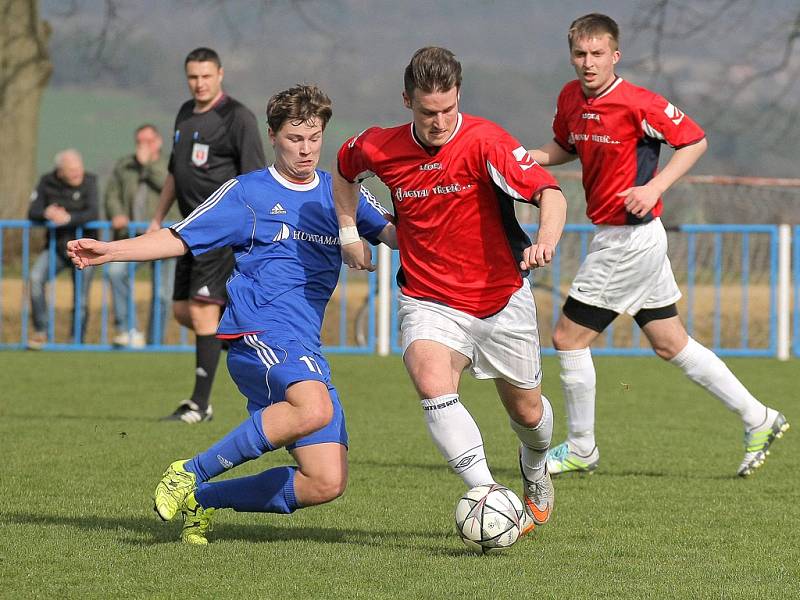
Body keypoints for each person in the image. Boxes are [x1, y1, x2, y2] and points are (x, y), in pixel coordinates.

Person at [68, 84, 397, 545]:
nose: (305, 149)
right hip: (258, 331)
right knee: (314, 406)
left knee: (325, 482)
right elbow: (179, 236)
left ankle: (200, 500)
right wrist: (111, 252)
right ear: (272, 136)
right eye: (294, 138)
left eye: (314, 138)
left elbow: (395, 234)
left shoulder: (337, 191)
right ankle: (187, 471)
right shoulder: (248, 194)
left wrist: (428, 203)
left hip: (304, 344)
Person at [528, 13, 789, 478]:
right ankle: (759, 417)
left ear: (615, 55)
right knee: (670, 342)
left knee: (568, 338)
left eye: (597, 54)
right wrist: (524, 157)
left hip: (630, 239)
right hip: (619, 238)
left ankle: (583, 446)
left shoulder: (638, 102)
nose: (588, 63)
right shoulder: (570, 97)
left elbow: (694, 141)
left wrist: (655, 187)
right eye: (580, 54)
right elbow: (565, 145)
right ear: (572, 55)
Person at [333, 47, 568, 533]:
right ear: (407, 101)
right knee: (429, 376)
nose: (439, 122)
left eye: (448, 109)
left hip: (500, 298)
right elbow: (343, 171)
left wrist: (545, 240)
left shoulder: (487, 141)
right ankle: (488, 493)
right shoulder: (378, 146)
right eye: (427, 112)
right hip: (428, 297)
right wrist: (349, 233)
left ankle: (535, 464)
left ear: (459, 96)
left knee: (528, 413)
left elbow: (550, 193)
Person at [148, 47, 266, 423]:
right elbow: (174, 171)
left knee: (201, 312)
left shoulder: (237, 117)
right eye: (193, 77)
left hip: (220, 231)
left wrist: (252, 229)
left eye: (205, 76)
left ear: (220, 74)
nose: (199, 83)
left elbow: (254, 178)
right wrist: (157, 218)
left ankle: (199, 405)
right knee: (183, 311)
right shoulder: (185, 112)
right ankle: (246, 340)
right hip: (187, 230)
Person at [105, 124, 179, 348]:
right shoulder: (125, 165)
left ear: (158, 142)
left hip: (164, 235)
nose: (143, 147)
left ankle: (155, 341)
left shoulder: (169, 164)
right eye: (139, 142)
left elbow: (168, 186)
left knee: (163, 293)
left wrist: (146, 165)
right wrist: (117, 213)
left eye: (148, 141)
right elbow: (112, 194)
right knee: (116, 272)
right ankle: (129, 330)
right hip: (131, 236)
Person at [27, 149, 98, 349]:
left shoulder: (90, 181)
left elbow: (93, 212)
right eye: (71, 170)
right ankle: (41, 332)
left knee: (81, 298)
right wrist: (46, 212)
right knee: (34, 279)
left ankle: (76, 340)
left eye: (79, 169)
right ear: (60, 172)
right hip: (56, 248)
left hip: (85, 249)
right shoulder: (47, 181)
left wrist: (68, 219)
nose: (78, 173)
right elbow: (32, 211)